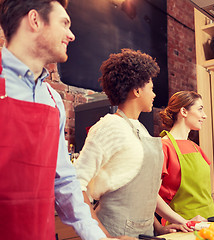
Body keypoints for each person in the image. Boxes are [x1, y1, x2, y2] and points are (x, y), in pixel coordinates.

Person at [0, 0, 128, 239]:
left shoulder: (53, 100)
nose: (71, 35)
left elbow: (64, 182)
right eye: (65, 23)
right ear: (35, 20)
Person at [74, 49, 190, 238]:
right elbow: (76, 187)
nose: (153, 95)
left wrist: (158, 228)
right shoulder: (108, 127)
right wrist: (106, 238)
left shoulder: (139, 129)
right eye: (150, 88)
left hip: (145, 233)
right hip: (113, 231)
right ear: (137, 90)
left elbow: (141, 192)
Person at [159, 91, 214, 222]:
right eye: (200, 109)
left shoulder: (195, 147)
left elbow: (199, 196)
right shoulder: (163, 147)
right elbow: (152, 197)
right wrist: (185, 222)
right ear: (184, 111)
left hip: (208, 223)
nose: (204, 116)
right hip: (182, 228)